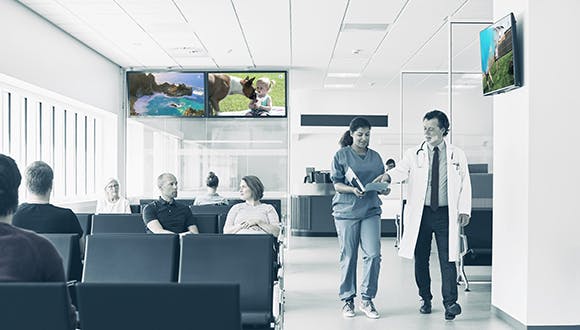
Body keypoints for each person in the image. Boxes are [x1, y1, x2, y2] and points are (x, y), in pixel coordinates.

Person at [380, 110, 471, 320]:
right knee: (421, 259)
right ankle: (425, 298)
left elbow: (465, 182)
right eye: (424, 129)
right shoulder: (414, 154)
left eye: (431, 128)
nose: (427, 133)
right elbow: (401, 170)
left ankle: (450, 303)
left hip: (446, 214)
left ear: (443, 129)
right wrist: (387, 176)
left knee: (448, 259)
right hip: (421, 215)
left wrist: (465, 208)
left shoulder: (457, 154)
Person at [330, 117, 388, 319]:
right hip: (346, 212)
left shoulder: (376, 157)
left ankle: (367, 299)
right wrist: (352, 189)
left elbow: (382, 182)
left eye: (368, 134)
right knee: (349, 256)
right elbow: (336, 184)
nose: (364, 138)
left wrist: (383, 189)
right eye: (360, 134)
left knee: (373, 255)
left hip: (371, 210)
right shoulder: (341, 155)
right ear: (352, 134)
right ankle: (347, 300)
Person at [12, 161, 83, 238]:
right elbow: (82, 249)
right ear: (51, 185)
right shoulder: (67, 217)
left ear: (26, 185)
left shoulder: (12, 216)